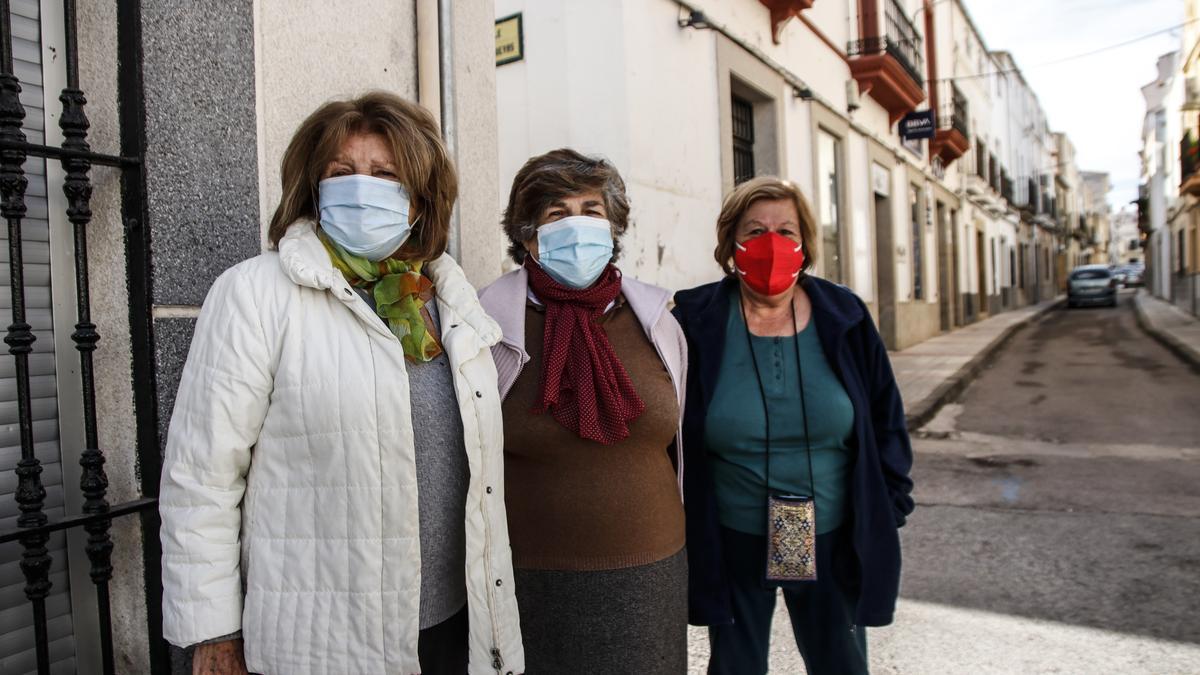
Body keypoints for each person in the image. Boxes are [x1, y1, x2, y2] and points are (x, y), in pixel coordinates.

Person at [159, 92, 524, 675]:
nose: (363, 187)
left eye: (385, 174)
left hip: (451, 626)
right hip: (323, 639)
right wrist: (214, 631)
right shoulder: (255, 294)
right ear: (312, 188)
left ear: (419, 200)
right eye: (341, 172)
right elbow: (202, 476)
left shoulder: (445, 298)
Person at [672, 177, 915, 675]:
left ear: (805, 243)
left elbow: (886, 417)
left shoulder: (844, 316)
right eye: (755, 230)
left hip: (832, 532)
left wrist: (889, 502)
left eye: (786, 230)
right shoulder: (696, 321)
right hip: (732, 533)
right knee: (735, 667)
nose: (772, 243)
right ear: (730, 244)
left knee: (840, 664)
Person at [478, 148, 688, 674]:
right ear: (527, 236)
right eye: (555, 213)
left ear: (613, 225)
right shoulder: (485, 322)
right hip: (530, 580)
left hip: (651, 575)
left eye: (591, 210)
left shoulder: (657, 319)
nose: (576, 224)